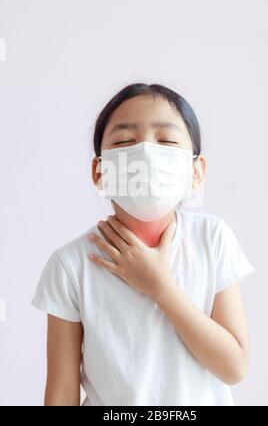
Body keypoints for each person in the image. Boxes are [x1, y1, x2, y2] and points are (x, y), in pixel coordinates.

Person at [31, 83, 255, 406]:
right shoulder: (71, 265)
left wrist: (160, 286)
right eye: (124, 141)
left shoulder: (213, 240)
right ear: (99, 171)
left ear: (196, 171)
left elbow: (234, 366)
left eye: (165, 140)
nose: (146, 152)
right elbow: (60, 393)